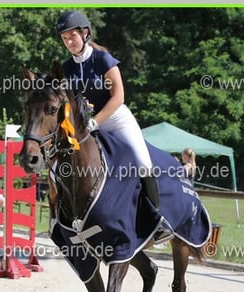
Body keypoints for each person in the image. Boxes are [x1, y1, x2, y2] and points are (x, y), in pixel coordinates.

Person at [55, 11, 170, 240]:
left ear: (85, 33)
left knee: (142, 162)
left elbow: (118, 97)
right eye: (64, 39)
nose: (69, 42)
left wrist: (96, 121)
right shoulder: (67, 68)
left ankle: (156, 220)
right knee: (63, 166)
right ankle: (68, 220)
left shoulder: (103, 59)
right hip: (85, 126)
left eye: (72, 37)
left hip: (115, 119)